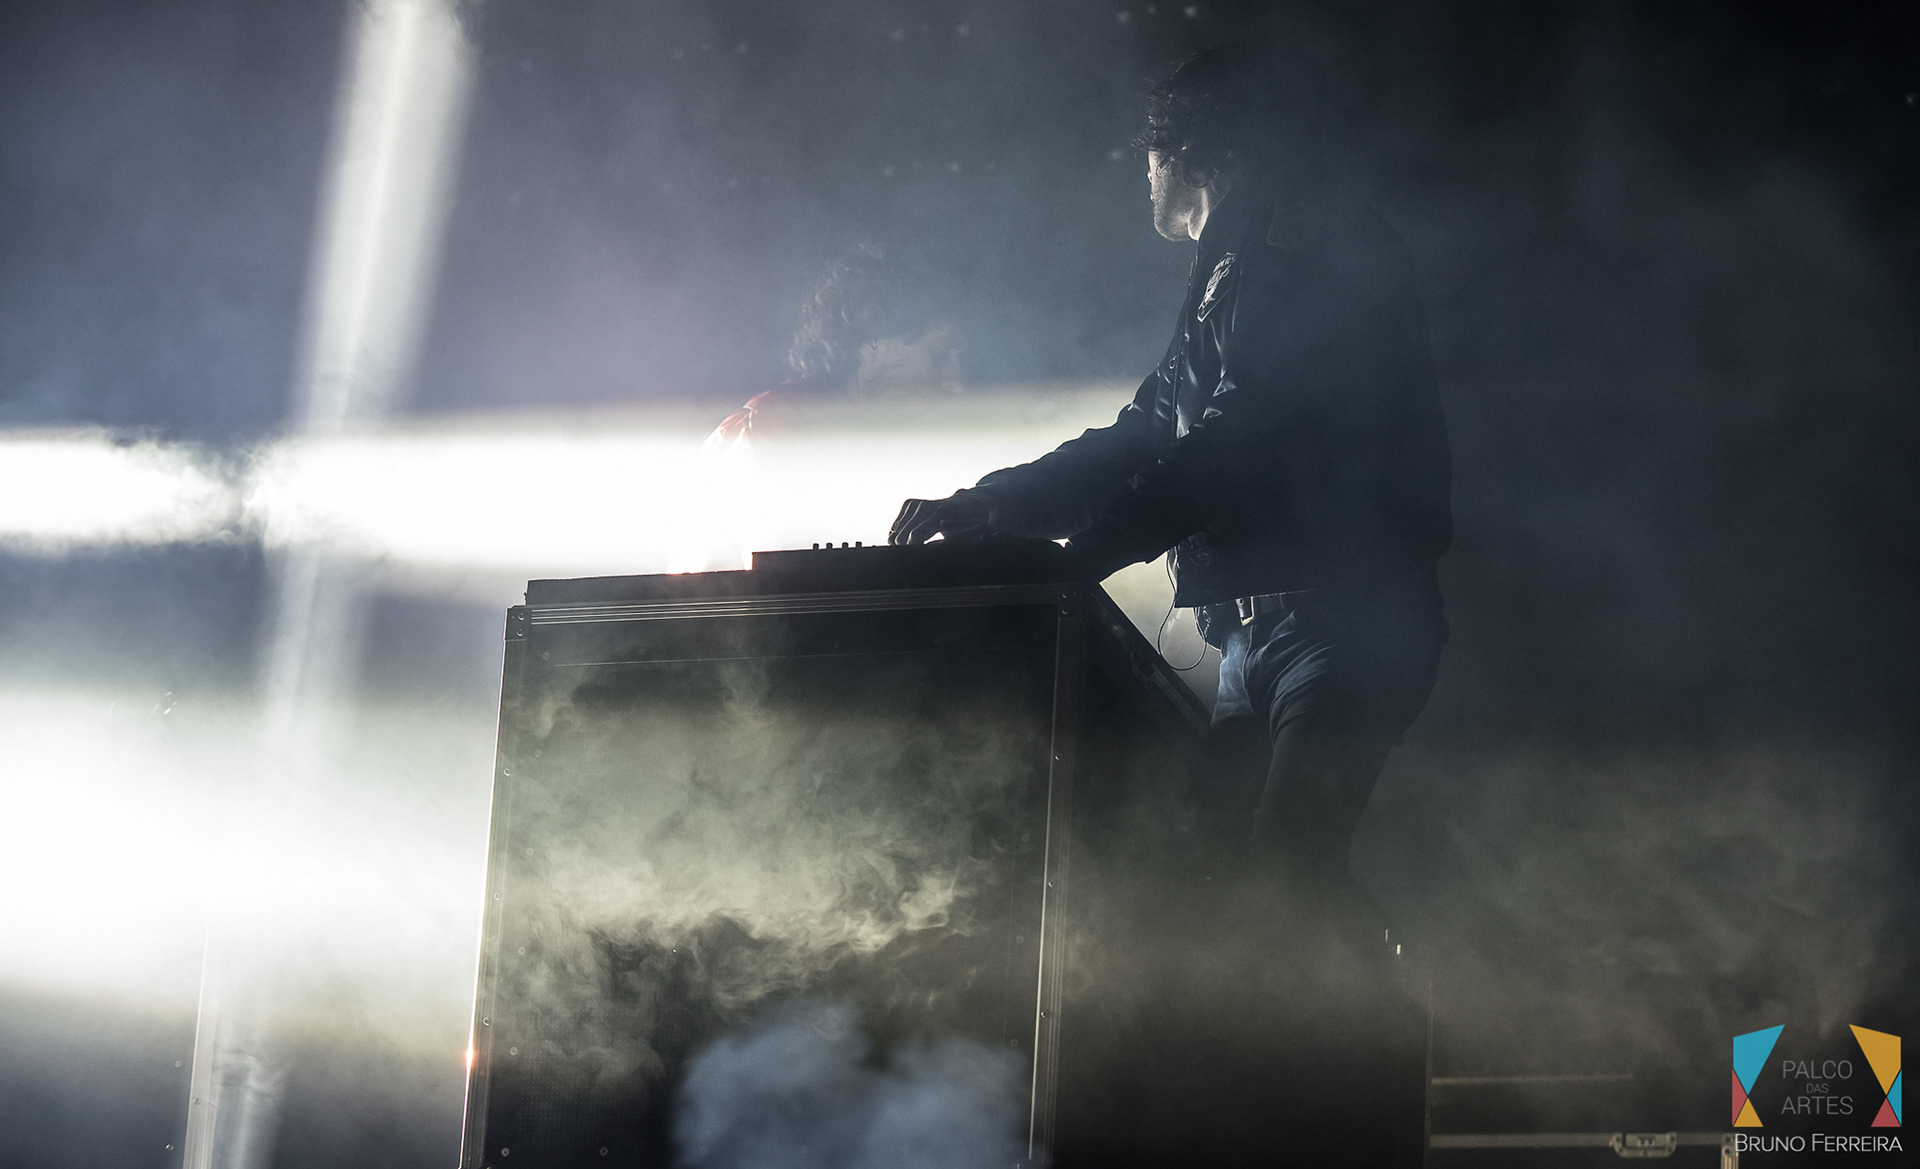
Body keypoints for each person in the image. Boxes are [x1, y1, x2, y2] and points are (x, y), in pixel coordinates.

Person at [890, 46, 1451, 917]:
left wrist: (1081, 558)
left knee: (1286, 872)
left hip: (1343, 622)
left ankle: (1389, 1001)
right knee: (1223, 884)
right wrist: (993, 504)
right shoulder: (1232, 271)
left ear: (1189, 152)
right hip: (1260, 639)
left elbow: (1237, 443)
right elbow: (1144, 433)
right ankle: (1364, 990)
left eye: (1145, 155)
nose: (1140, 176)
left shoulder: (1298, 248)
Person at [667, 244, 963, 571]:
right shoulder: (751, 435)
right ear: (872, 337)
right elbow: (703, 589)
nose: (955, 379)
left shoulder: (934, 446)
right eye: (940, 353)